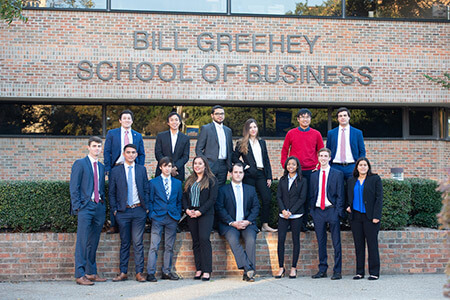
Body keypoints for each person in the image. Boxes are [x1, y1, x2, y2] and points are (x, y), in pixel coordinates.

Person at [109, 144, 149, 283]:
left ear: (136, 154)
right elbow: (112, 193)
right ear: (124, 154)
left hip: (139, 210)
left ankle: (139, 273)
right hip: (123, 211)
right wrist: (115, 210)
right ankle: (123, 272)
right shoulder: (116, 171)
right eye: (128, 152)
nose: (131, 155)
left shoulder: (141, 170)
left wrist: (146, 208)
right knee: (125, 243)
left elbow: (146, 188)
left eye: (133, 152)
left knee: (138, 243)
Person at [70, 136, 107, 285]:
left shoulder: (102, 166)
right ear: (88, 147)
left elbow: (101, 187)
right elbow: (74, 187)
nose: (97, 149)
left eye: (99, 146)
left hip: (98, 207)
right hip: (85, 207)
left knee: (94, 241)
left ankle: (91, 272)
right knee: (82, 241)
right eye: (94, 146)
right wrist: (78, 206)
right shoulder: (80, 164)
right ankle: (80, 274)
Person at [281, 108, 324, 232]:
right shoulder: (291, 133)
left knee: (308, 197)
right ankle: (291, 223)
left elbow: (321, 151)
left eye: (307, 117)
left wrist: (319, 167)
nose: (305, 119)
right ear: (298, 119)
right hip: (295, 170)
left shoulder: (316, 134)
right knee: (292, 196)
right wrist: (286, 165)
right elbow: (285, 150)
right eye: (302, 117)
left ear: (310, 119)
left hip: (311, 171)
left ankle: (304, 223)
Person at [215, 163, 260, 282]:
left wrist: (248, 221)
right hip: (229, 225)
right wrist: (232, 222)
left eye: (240, 172)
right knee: (233, 239)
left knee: (251, 239)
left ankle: (248, 272)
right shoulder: (223, 190)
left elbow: (256, 207)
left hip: (247, 224)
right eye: (235, 172)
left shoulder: (250, 189)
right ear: (231, 174)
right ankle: (248, 268)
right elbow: (220, 208)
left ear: (243, 174)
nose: (238, 174)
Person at [104, 109, 145, 234]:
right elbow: (107, 151)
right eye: (124, 118)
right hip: (116, 167)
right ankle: (114, 224)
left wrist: (139, 168)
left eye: (129, 118)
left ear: (132, 121)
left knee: (131, 191)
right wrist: (107, 168)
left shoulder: (137, 135)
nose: (127, 120)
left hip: (132, 168)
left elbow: (142, 153)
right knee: (114, 193)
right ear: (120, 120)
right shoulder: (112, 133)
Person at [233, 118, 276, 233]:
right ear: (247, 129)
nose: (253, 129)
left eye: (255, 127)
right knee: (250, 200)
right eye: (250, 127)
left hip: (261, 174)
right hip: (249, 175)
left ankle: (265, 224)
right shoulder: (242, 142)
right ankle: (251, 224)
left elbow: (266, 160)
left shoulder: (262, 142)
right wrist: (245, 166)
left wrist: (269, 176)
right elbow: (234, 157)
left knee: (267, 198)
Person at [309, 148, 344, 280]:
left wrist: (338, 212)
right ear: (318, 158)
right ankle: (322, 270)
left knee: (336, 242)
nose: (323, 158)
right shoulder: (314, 175)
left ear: (330, 158)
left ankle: (337, 271)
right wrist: (312, 212)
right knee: (321, 242)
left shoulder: (337, 174)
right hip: (318, 212)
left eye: (325, 156)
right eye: (321, 156)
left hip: (331, 210)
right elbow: (311, 195)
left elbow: (341, 194)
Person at [146, 157, 182, 282]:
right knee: (154, 246)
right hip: (158, 217)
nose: (167, 168)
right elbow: (150, 201)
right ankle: (151, 273)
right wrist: (151, 215)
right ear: (160, 167)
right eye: (165, 166)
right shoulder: (153, 183)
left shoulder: (177, 183)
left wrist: (177, 213)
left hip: (172, 217)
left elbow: (179, 201)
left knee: (169, 246)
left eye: (170, 166)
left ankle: (166, 271)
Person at [346, 157, 383, 281]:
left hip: (370, 217)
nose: (362, 167)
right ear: (356, 167)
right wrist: (348, 206)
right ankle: (359, 272)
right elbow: (348, 196)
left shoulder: (375, 179)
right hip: (355, 217)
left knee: (372, 245)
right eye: (360, 165)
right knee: (359, 246)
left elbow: (379, 199)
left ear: (368, 167)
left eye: (365, 165)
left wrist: (376, 216)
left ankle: (374, 272)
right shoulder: (351, 180)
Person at [182, 156, 218, 281]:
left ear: (205, 165)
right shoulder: (190, 180)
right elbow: (184, 197)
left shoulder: (212, 180)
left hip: (205, 214)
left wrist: (200, 212)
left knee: (204, 239)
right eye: (195, 163)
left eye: (200, 163)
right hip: (191, 214)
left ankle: (207, 270)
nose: (197, 166)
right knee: (196, 241)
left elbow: (212, 199)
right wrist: (187, 210)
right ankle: (199, 269)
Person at [275, 156, 307, 279]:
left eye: (293, 164)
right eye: (289, 164)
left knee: (295, 240)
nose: (291, 166)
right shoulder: (282, 180)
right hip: (283, 215)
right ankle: (281, 268)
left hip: (296, 214)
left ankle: (293, 268)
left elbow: (302, 198)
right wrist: (283, 210)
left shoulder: (302, 180)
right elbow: (278, 196)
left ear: (297, 166)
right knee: (281, 240)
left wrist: (291, 211)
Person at [195, 105, 233, 187]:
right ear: (212, 115)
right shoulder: (206, 128)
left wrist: (230, 166)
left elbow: (230, 150)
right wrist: (205, 163)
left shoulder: (228, 131)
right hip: (210, 164)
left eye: (222, 114)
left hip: (223, 165)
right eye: (217, 114)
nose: (220, 116)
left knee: (221, 189)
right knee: (209, 187)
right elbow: (198, 149)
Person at [326, 107, 366, 180]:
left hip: (352, 166)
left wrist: (359, 165)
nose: (342, 118)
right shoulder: (331, 133)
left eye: (345, 115)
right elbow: (328, 150)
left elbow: (362, 150)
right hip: (335, 166)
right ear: (337, 119)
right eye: (340, 116)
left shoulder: (357, 133)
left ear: (349, 117)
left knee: (351, 190)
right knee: (336, 190)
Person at [154, 112, 190, 182]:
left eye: (176, 120)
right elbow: (158, 153)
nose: (174, 122)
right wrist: (168, 167)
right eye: (172, 120)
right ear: (168, 123)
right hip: (162, 171)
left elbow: (185, 156)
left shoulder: (185, 138)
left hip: (177, 172)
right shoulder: (161, 136)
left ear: (180, 122)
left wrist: (174, 167)